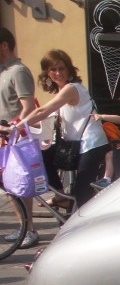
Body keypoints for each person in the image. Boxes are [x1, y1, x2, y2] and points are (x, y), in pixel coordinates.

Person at [19, 49, 109, 209]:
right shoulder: (63, 90)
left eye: (61, 68)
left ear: (69, 69)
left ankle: (86, 220)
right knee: (42, 156)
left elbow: (42, 111)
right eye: (53, 69)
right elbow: (47, 117)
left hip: (91, 144)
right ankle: (61, 197)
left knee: (82, 193)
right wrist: (22, 126)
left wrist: (18, 126)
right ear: (47, 73)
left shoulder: (71, 88)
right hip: (75, 145)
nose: (57, 73)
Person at [0, 27, 37, 248]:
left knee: (20, 184)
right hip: (3, 138)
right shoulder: (3, 72)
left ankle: (29, 229)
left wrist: (13, 128)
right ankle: (22, 226)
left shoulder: (18, 71)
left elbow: (28, 107)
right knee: (8, 185)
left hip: (15, 138)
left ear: (4, 45)